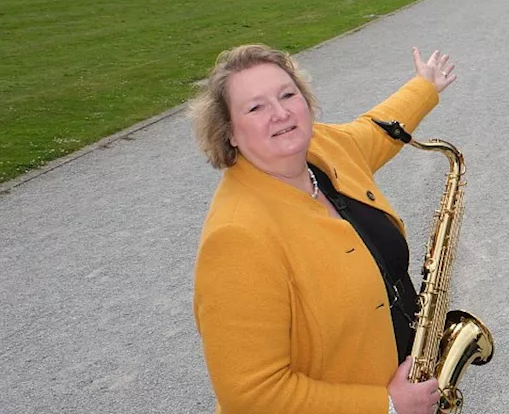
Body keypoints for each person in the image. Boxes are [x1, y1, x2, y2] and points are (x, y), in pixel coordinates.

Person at [191, 43, 455, 414]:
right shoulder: (236, 237)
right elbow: (251, 395)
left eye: (287, 94)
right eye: (255, 107)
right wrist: (388, 405)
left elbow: (377, 129)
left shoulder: (324, 148)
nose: (281, 113)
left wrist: (424, 87)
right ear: (229, 132)